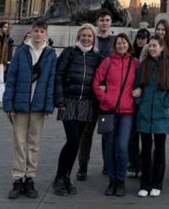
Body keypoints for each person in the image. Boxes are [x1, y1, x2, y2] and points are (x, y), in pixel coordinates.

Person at [3, 21, 57, 199]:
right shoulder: (21, 52)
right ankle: (18, 178)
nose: (38, 34)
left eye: (42, 31)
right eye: (36, 31)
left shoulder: (50, 54)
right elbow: (11, 79)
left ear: (45, 34)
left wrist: (49, 106)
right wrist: (8, 104)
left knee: (34, 144)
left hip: (38, 106)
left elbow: (51, 82)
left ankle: (30, 177)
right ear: (31, 32)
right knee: (19, 143)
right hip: (20, 105)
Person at [53, 24, 102, 196]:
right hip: (69, 101)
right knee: (72, 140)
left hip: (86, 103)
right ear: (79, 36)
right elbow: (58, 75)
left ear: (93, 39)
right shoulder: (69, 52)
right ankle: (60, 177)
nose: (86, 38)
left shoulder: (96, 57)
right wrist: (59, 98)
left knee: (76, 142)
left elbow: (100, 79)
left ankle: (66, 177)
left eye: (90, 36)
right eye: (84, 35)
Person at [93, 33, 139, 196]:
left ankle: (120, 180)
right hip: (109, 111)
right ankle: (112, 180)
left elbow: (142, 82)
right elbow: (96, 83)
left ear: (128, 45)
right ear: (115, 46)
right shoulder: (107, 62)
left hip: (127, 112)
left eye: (124, 43)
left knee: (121, 146)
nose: (121, 45)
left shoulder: (135, 63)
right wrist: (105, 98)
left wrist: (139, 91)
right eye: (118, 43)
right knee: (109, 147)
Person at [133, 35, 169, 197]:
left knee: (159, 149)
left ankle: (157, 183)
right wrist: (139, 102)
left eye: (155, 46)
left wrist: (165, 104)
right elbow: (137, 85)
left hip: (160, 114)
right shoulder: (144, 65)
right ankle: (145, 183)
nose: (152, 48)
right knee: (145, 150)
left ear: (162, 47)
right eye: (150, 46)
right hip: (145, 113)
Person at [76, 11, 114, 180]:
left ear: (111, 23)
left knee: (107, 131)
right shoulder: (90, 39)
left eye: (107, 20)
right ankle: (83, 165)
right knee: (86, 132)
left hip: (108, 95)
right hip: (90, 95)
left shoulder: (115, 41)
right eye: (102, 20)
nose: (104, 23)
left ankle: (107, 164)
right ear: (97, 22)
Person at [127, 28, 150, 177]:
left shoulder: (151, 54)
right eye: (139, 37)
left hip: (146, 99)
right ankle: (133, 163)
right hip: (132, 99)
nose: (141, 40)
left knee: (146, 134)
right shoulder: (131, 55)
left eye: (144, 37)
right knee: (132, 134)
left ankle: (142, 163)